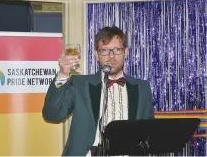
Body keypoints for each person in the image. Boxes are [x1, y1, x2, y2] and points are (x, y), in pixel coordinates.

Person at [42, 26, 155, 156]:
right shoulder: (80, 84)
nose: (111, 56)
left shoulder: (142, 87)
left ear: (126, 52)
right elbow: (52, 115)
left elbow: (149, 132)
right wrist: (62, 75)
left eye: (117, 50)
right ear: (96, 55)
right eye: (104, 51)